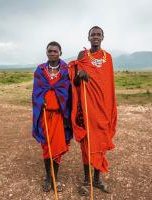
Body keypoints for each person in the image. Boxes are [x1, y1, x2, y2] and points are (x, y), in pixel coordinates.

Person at [68, 26, 117, 196]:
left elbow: (109, 86)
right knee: (87, 145)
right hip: (87, 108)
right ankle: (87, 180)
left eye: (98, 34)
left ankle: (97, 180)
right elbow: (74, 83)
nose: (95, 36)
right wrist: (80, 75)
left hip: (102, 109)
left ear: (103, 37)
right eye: (92, 34)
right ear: (88, 37)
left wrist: (110, 108)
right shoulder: (83, 56)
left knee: (101, 143)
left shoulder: (108, 58)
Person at [32, 41, 72, 192]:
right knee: (46, 147)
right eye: (50, 51)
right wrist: (39, 101)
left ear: (60, 52)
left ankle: (55, 178)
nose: (52, 53)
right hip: (44, 115)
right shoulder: (40, 70)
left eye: (55, 51)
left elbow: (70, 92)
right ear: (46, 52)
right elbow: (36, 92)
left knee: (57, 147)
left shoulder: (66, 70)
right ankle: (48, 178)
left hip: (60, 116)